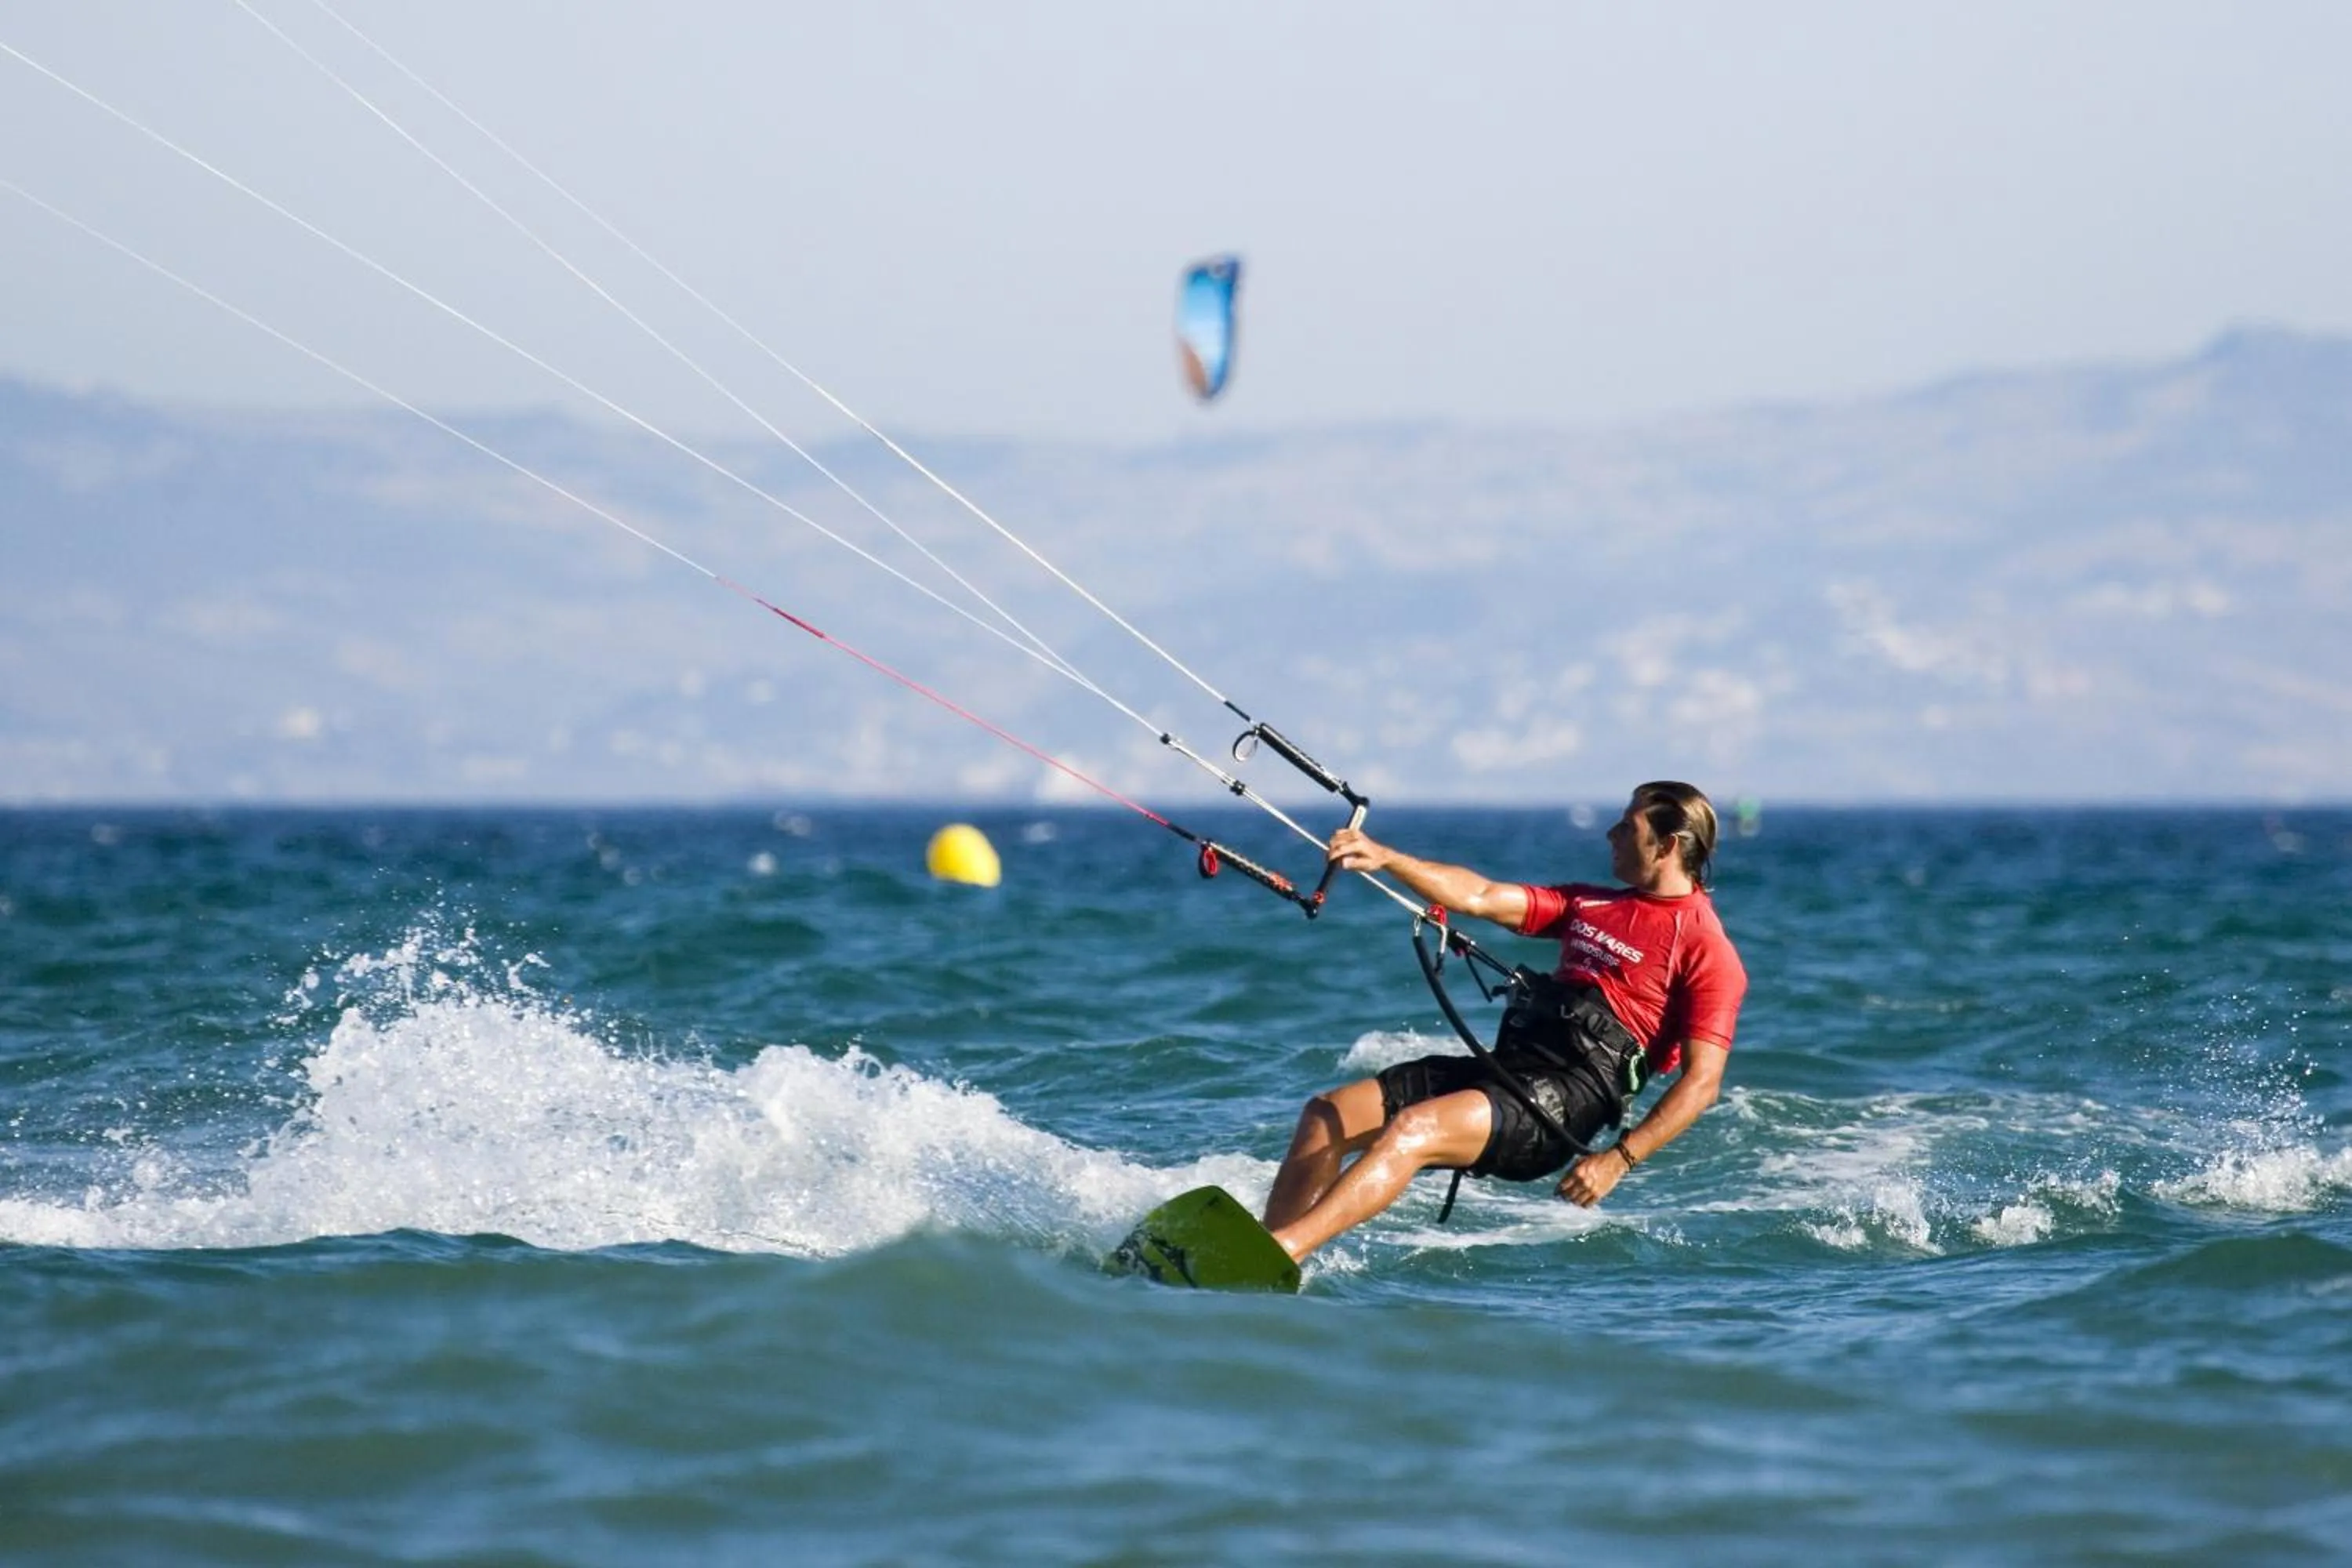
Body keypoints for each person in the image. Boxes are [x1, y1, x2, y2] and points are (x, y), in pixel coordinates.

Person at [1261, 781, 1747, 1262]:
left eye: (1628, 826)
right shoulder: (1593, 905)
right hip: (1509, 1072)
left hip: (1563, 1102)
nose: (1611, 834)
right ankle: (1266, 1258)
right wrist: (1386, 857)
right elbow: (1481, 896)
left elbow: (1702, 1084)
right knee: (1327, 1115)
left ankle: (1283, 1250)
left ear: (1666, 845)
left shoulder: (1706, 947)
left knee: (1414, 1129)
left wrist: (1618, 1160)